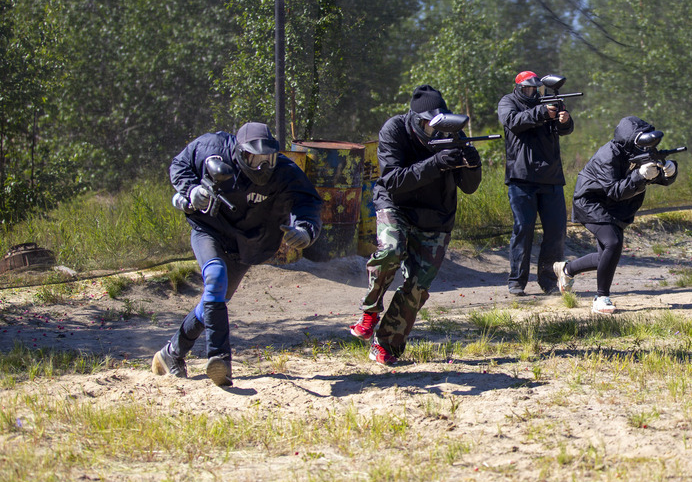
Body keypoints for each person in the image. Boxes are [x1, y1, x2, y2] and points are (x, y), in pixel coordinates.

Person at [152, 122, 322, 386]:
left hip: (247, 242)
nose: (263, 166)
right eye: (255, 159)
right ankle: (220, 360)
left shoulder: (285, 171)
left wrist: (305, 229)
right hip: (210, 228)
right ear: (241, 153)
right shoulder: (212, 147)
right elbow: (180, 164)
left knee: (215, 297)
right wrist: (191, 190)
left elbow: (308, 202)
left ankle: (172, 353)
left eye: (269, 158)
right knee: (216, 279)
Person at [348, 85, 483, 365]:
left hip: (437, 215)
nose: (435, 132)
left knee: (418, 287)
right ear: (415, 119)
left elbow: (469, 188)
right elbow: (394, 181)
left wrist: (472, 165)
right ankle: (370, 309)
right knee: (391, 251)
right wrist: (436, 163)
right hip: (396, 205)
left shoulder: (453, 135)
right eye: (428, 125)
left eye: (439, 125)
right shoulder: (394, 130)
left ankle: (386, 343)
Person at [553, 116, 678, 314]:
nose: (645, 147)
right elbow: (615, 190)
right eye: (640, 142)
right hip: (591, 202)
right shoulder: (608, 155)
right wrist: (640, 175)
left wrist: (669, 172)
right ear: (629, 140)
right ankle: (601, 298)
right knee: (613, 242)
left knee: (606, 254)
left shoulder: (641, 153)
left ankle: (567, 269)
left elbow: (657, 178)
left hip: (615, 205)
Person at [497, 71, 575, 296]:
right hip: (521, 178)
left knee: (556, 230)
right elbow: (512, 121)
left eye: (535, 89)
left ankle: (549, 280)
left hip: (550, 177)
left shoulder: (549, 102)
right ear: (519, 88)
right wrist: (542, 112)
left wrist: (564, 120)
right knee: (523, 229)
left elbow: (565, 130)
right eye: (527, 89)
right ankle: (517, 281)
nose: (532, 93)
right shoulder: (508, 102)